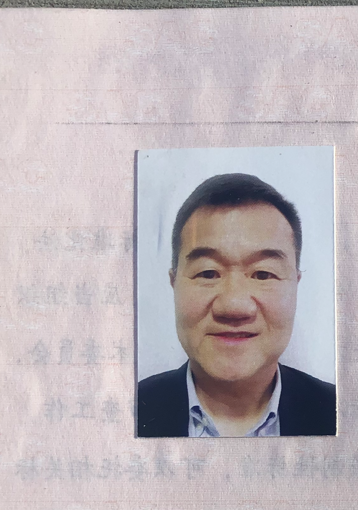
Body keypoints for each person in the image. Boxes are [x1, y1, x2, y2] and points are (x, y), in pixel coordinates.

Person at [138, 173, 337, 437]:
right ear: (174, 282)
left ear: (295, 284)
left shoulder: (339, 412)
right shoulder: (129, 410)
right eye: (208, 273)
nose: (234, 306)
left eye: (263, 274)